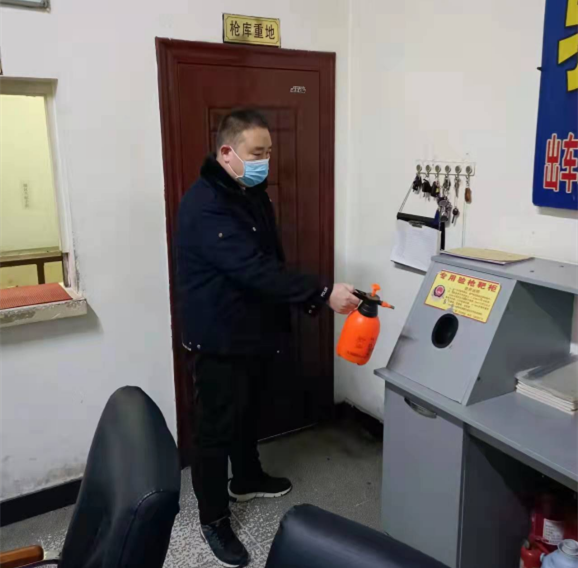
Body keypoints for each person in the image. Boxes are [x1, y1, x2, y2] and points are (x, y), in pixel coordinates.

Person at [176, 108, 358, 567]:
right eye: (256, 153)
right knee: (214, 430)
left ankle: (247, 477)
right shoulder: (206, 205)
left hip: (251, 329)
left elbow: (269, 261)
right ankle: (213, 518)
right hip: (218, 337)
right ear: (227, 153)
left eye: (268, 153)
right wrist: (322, 292)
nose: (265, 162)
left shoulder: (249, 191)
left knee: (248, 409)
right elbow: (253, 270)